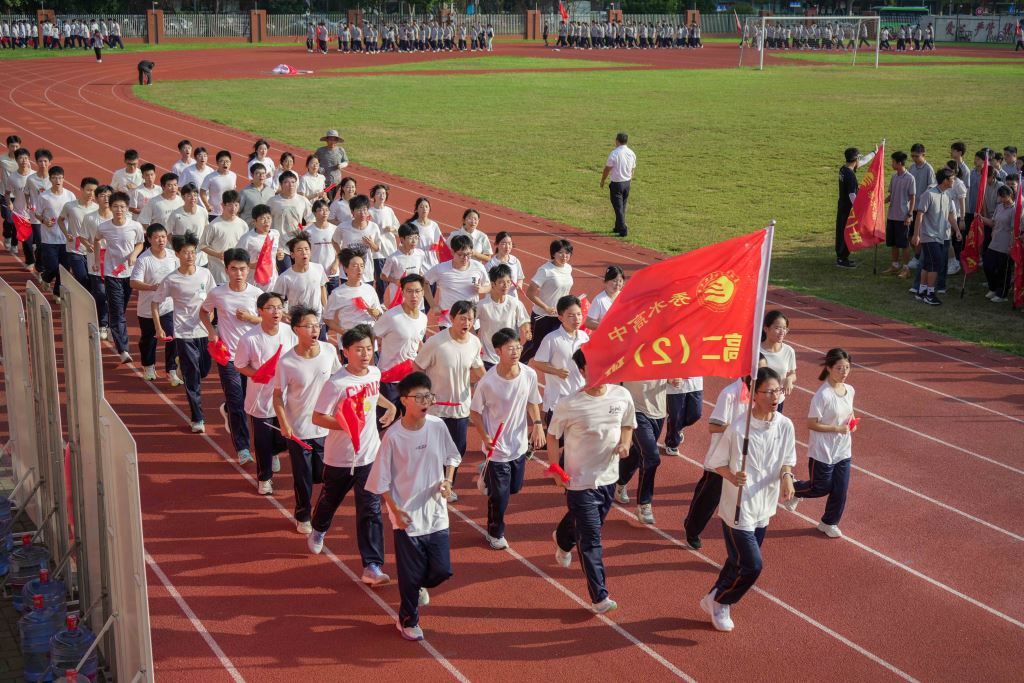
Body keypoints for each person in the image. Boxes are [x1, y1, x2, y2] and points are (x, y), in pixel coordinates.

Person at [366, 371, 461, 641]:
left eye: (428, 396)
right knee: (409, 576)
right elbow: (380, 481)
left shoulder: (437, 426)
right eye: (419, 397)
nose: (425, 402)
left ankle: (418, 585)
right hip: (406, 517)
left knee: (442, 570)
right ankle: (408, 620)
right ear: (404, 400)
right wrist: (396, 512)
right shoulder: (393, 437)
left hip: (436, 512)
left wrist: (448, 481)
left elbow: (452, 456)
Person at [700, 367, 796, 632]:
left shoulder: (785, 425)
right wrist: (732, 476)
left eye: (778, 391)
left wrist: (787, 477)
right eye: (769, 392)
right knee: (752, 565)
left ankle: (712, 597)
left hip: (765, 506)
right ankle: (722, 601)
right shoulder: (738, 428)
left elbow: (788, 459)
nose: (776, 397)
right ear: (754, 394)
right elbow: (716, 462)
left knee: (736, 560)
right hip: (738, 507)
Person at [548, 349, 635, 615]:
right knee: (591, 539)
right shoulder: (569, 404)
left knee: (588, 526)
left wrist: (625, 444)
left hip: (608, 477)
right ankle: (600, 596)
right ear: (583, 370)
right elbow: (552, 436)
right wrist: (555, 469)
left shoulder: (622, 395)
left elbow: (627, 425)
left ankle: (563, 538)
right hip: (579, 481)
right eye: (595, 367)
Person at [308, 325, 397, 580]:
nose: (365, 354)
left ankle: (372, 566)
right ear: (345, 351)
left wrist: (390, 406)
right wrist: (346, 425)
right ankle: (319, 528)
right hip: (340, 458)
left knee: (370, 509)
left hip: (369, 455)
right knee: (330, 500)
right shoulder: (336, 384)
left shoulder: (375, 373)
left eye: (369, 348)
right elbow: (318, 417)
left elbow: (374, 396)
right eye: (359, 349)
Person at [470, 327, 545, 549]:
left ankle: (488, 479)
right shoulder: (487, 382)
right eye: (510, 348)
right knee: (501, 497)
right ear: (498, 351)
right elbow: (475, 412)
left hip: (519, 444)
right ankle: (495, 533)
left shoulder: (529, 374)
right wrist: (485, 437)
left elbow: (532, 401)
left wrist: (537, 425)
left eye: (518, 347)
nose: (516, 352)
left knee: (514, 488)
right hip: (497, 447)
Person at [684, 356, 767, 549]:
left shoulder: (763, 397)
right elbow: (713, 426)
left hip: (747, 459)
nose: (761, 374)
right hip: (723, 458)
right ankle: (692, 529)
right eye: (757, 369)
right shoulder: (729, 394)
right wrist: (740, 429)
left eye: (764, 370)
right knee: (709, 497)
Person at [274, 304, 340, 534]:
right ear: (296, 329)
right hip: (299, 430)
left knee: (323, 476)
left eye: (316, 325)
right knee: (302, 478)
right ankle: (303, 515)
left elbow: (339, 380)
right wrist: (284, 424)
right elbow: (277, 396)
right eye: (309, 326)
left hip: (325, 428)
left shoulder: (329, 351)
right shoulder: (287, 362)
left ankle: (320, 511)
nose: (315, 330)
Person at [780, 349, 857, 538]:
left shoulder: (850, 390)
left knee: (840, 490)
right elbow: (811, 423)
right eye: (839, 368)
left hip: (843, 450)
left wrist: (852, 424)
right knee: (820, 487)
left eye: (847, 368)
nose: (844, 372)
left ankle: (829, 523)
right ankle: (796, 488)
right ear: (829, 368)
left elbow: (850, 413)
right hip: (822, 450)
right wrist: (836, 428)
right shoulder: (823, 395)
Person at [413, 299, 485, 500]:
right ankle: (428, 487)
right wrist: (425, 393)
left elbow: (478, 368)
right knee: (433, 451)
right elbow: (417, 367)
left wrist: (493, 385)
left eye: (470, 319)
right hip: (436, 409)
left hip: (461, 408)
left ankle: (447, 486)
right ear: (452, 318)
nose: (466, 323)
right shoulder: (436, 342)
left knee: (457, 450)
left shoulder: (474, 342)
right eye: (462, 318)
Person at [200, 248, 262, 463]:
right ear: (226, 270)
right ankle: (243, 448)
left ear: (248, 270)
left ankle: (227, 409)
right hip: (229, 357)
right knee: (237, 401)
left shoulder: (257, 294)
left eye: (242, 269)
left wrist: (251, 318)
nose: (238, 273)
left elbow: (267, 320)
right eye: (234, 269)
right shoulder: (217, 293)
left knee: (252, 403)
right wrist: (212, 332)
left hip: (253, 357)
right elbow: (203, 311)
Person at [153, 233, 217, 433]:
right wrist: (159, 328)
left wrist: (211, 316)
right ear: (177, 254)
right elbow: (155, 302)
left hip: (203, 331)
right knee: (192, 377)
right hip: (183, 333)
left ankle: (181, 364)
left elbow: (213, 298)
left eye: (193, 252)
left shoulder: (205, 274)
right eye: (186, 252)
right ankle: (197, 418)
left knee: (204, 370)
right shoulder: (172, 279)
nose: (190, 256)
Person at [235, 291, 298, 495]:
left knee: (284, 438)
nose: (276, 312)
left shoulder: (289, 332)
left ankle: (274, 451)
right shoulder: (249, 338)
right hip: (260, 400)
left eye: (279, 307)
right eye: (270, 308)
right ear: (260, 311)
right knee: (262, 442)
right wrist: (259, 374)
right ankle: (264, 478)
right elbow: (240, 365)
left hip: (286, 398)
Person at [96, 191, 145, 363]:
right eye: (115, 206)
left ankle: (113, 327)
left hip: (129, 274)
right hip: (112, 273)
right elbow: (96, 240)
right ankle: (123, 350)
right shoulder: (104, 227)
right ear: (110, 208)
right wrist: (97, 261)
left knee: (121, 308)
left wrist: (134, 254)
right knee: (117, 311)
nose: (119, 210)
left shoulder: (135, 226)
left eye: (122, 207)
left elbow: (140, 243)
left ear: (127, 208)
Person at [130, 223, 180, 385]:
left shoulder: (173, 256)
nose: (161, 240)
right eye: (157, 237)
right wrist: (152, 287)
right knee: (149, 339)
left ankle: (171, 370)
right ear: (149, 239)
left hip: (168, 307)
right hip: (147, 308)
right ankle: (149, 366)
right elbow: (133, 282)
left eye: (163, 237)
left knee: (172, 336)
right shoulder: (143, 260)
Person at [614, 378, 669, 524]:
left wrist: (674, 379)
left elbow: (672, 373)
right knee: (652, 457)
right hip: (635, 410)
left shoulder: (666, 361)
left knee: (641, 452)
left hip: (658, 411)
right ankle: (644, 505)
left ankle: (619, 481)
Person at [522, 239, 574, 363]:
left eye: (567, 253)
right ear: (553, 253)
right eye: (560, 253)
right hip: (543, 316)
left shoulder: (568, 268)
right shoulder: (545, 270)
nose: (564, 256)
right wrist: (546, 307)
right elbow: (530, 293)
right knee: (534, 346)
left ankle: (552, 370)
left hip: (560, 316)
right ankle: (517, 363)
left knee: (556, 346)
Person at [911, 168, 957, 306]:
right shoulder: (929, 194)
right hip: (929, 236)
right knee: (935, 264)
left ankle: (922, 291)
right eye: (952, 179)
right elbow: (919, 215)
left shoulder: (947, 195)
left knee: (927, 264)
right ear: (945, 180)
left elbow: (950, 214)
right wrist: (916, 235)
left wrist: (956, 230)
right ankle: (930, 294)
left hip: (941, 236)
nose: (954, 181)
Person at [424, 234, 489, 326]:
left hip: (471, 321)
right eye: (461, 255)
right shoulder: (441, 269)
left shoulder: (478, 267)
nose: (465, 258)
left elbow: (489, 286)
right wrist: (433, 305)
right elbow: (424, 282)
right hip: (448, 321)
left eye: (468, 254)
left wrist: (482, 289)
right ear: (452, 252)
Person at [477, 264, 530, 369]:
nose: (506, 285)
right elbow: (469, 322)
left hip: (510, 356)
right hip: (489, 357)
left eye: (508, 282)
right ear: (493, 284)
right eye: (501, 282)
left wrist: (526, 330)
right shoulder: (482, 305)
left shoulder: (515, 303)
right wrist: (476, 342)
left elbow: (524, 321)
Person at [324, 246, 382, 340]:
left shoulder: (370, 289)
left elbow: (380, 314)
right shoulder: (337, 293)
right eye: (355, 266)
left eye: (362, 266)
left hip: (368, 340)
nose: (359, 270)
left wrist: (376, 313)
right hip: (349, 341)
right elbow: (327, 319)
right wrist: (345, 332)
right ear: (345, 269)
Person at [34, 166, 75, 298]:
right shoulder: (44, 196)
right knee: (52, 267)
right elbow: (37, 213)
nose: (58, 180)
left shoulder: (70, 195)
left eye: (60, 178)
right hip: (49, 238)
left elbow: (74, 214)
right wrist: (44, 221)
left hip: (66, 238)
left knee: (64, 269)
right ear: (50, 179)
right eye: (54, 178)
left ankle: (57, 293)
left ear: (63, 179)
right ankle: (46, 277)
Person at [56, 176, 98, 292]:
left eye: (94, 191)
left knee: (91, 279)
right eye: (88, 190)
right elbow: (60, 220)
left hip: (92, 250)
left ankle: (88, 299)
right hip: (75, 249)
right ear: (81, 189)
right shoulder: (70, 206)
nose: (91, 193)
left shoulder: (97, 208)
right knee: (81, 277)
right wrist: (66, 234)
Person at [835, 146, 875, 269]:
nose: (860, 161)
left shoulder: (843, 169)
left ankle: (841, 257)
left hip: (842, 206)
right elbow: (852, 195)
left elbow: (861, 162)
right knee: (846, 232)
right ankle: (842, 258)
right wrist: (858, 210)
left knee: (841, 231)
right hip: (848, 209)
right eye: (859, 158)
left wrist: (874, 153)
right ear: (856, 159)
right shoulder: (851, 176)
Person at [276, 231, 328, 321]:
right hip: (298, 323)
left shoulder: (319, 268)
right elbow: (277, 302)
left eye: (306, 249)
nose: (304, 252)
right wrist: (288, 318)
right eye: (299, 250)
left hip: (318, 321)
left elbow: (322, 288)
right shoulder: (285, 277)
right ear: (292, 254)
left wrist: (326, 309)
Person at [201, 190, 249, 285]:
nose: (233, 208)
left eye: (236, 205)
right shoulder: (214, 225)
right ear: (222, 205)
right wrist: (217, 254)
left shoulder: (243, 225)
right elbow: (202, 245)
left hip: (237, 273)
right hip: (218, 272)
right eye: (230, 205)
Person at [882, 151, 916, 277]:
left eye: (893, 162)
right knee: (894, 243)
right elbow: (891, 195)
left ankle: (906, 269)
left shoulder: (910, 178)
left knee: (904, 244)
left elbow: (913, 197)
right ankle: (895, 265)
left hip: (903, 217)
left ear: (899, 163)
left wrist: (909, 214)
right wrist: (881, 202)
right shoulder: (894, 177)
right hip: (892, 216)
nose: (892, 164)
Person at [980, 185, 1016, 303]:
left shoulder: (1015, 210)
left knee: (1003, 270)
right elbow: (993, 223)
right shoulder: (999, 207)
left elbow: (1014, 230)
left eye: (1003, 196)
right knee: (988, 265)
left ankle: (1002, 293)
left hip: (1005, 243)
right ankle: (993, 287)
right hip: (995, 241)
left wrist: (1011, 245)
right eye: (1000, 196)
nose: (1001, 199)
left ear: (1010, 195)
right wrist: (981, 218)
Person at [236, 204, 281, 292]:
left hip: (273, 281)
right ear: (254, 222)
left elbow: (274, 253)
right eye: (262, 218)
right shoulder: (247, 239)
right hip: (255, 283)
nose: (266, 221)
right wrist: (252, 265)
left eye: (268, 218)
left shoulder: (275, 234)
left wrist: (279, 254)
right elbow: (236, 260)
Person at [759, 310, 796, 412]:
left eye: (785, 328)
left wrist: (789, 379)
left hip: (777, 400)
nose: (782, 332)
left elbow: (793, 373)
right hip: (757, 400)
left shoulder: (789, 351)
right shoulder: (756, 350)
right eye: (778, 328)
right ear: (766, 328)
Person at [600, 132, 636, 237]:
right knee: (622, 206)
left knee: (618, 207)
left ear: (617, 141)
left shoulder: (614, 153)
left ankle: (623, 229)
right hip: (627, 183)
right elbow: (632, 169)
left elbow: (607, 169)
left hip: (617, 184)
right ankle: (617, 227)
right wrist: (629, 181)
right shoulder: (631, 153)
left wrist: (603, 180)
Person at [664, 376, 703, 457]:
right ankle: (672, 443)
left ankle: (678, 427)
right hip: (675, 383)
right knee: (676, 417)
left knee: (696, 414)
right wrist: (668, 379)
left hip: (695, 382)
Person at [484, 231, 525, 298]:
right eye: (504, 243)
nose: (507, 247)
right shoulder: (490, 265)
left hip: (512, 298)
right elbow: (486, 285)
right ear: (496, 244)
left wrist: (519, 284)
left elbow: (520, 278)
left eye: (509, 243)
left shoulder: (515, 261)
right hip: (495, 300)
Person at [200, 151, 237, 222]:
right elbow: (202, 191)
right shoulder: (210, 177)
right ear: (217, 163)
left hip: (229, 211)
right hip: (214, 213)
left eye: (227, 161)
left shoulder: (233, 175)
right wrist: (207, 205)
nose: (225, 164)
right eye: (222, 161)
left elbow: (234, 191)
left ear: (230, 162)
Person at [586, 265, 624, 330]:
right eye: (614, 281)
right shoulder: (599, 300)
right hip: (608, 334)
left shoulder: (624, 296)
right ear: (606, 281)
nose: (618, 284)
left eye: (620, 281)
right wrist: (606, 326)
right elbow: (589, 322)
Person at [314, 130, 349, 200]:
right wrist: (319, 168)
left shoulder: (341, 150)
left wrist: (342, 165)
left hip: (336, 182)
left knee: (330, 198)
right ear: (327, 140)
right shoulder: (320, 151)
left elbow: (346, 161)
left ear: (337, 141)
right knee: (327, 199)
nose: (332, 142)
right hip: (324, 181)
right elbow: (314, 162)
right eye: (330, 139)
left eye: (334, 140)